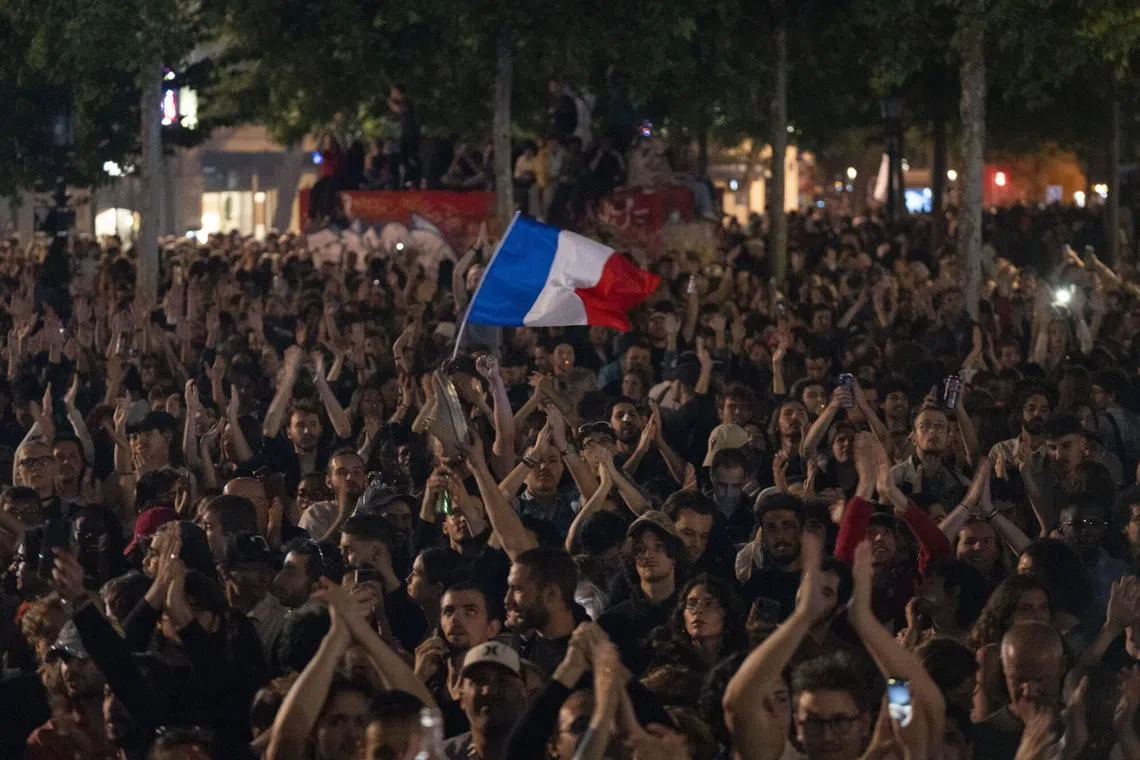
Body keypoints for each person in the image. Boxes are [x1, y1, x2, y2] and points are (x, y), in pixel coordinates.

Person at [598, 511, 684, 675]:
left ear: (674, 554)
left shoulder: (688, 614)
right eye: (640, 549)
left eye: (659, 546)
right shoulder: (612, 622)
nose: (648, 555)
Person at [414, 581, 503, 737]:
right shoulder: (429, 680)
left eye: (470, 611)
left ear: (492, 628)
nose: (455, 618)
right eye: (448, 611)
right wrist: (417, 678)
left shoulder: (498, 688)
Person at [442, 641, 528, 760]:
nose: (488, 691)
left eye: (502, 681)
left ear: (523, 693)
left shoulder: (549, 754)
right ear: (461, 697)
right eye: (478, 681)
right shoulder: (440, 755)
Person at [504, 546, 580, 678]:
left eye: (518, 589)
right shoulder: (522, 649)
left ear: (551, 594)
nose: (507, 600)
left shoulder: (588, 660)